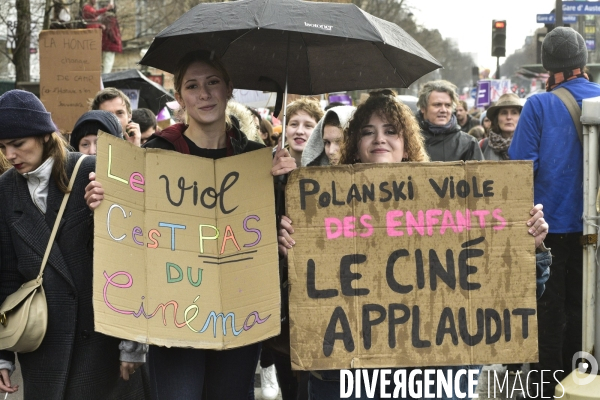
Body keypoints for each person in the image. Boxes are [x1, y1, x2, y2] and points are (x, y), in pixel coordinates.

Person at [276, 90, 551, 400]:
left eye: (390, 131)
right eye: (367, 132)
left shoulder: (449, 200)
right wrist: (292, 256)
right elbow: (300, 306)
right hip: (351, 379)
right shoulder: (321, 207)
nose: (379, 139)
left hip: (431, 378)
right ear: (355, 145)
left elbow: (509, 291)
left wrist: (532, 248)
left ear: (406, 143)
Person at [85, 50, 290, 399]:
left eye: (213, 83)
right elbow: (128, 231)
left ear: (228, 89)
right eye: (193, 86)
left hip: (238, 317)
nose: (205, 94)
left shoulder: (257, 160)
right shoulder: (155, 154)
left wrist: (285, 190)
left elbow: (275, 237)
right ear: (179, 97)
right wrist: (101, 203)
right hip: (174, 318)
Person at [0, 90, 146, 400]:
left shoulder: (91, 170)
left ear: (44, 137)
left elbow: (126, 257)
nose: (10, 155)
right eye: (3, 147)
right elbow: (6, 275)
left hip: (100, 342)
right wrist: (2, 353)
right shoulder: (6, 189)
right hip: (43, 347)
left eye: (18, 144)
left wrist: (132, 344)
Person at [509, 27, 600, 398]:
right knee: (589, 314)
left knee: (549, 317)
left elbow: (519, 169)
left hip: (549, 232)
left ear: (549, 66)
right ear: (583, 61)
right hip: (593, 230)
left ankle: (546, 388)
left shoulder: (538, 105)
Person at [417, 81, 483, 162]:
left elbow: (479, 173)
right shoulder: (409, 141)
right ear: (423, 108)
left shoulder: (468, 144)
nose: (444, 110)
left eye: (448, 105)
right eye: (437, 105)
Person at [480, 93, 522, 161]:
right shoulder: (482, 145)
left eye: (514, 113)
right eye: (504, 113)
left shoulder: (530, 145)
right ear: (497, 118)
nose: (509, 117)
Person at [283, 97, 324, 166]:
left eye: (308, 126)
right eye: (294, 124)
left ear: (319, 132)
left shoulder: (328, 167)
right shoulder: (269, 162)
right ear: (285, 130)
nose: (299, 131)